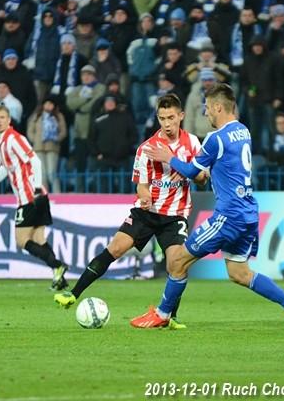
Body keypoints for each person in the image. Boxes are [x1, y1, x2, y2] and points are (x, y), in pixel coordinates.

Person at [131, 84, 284, 329]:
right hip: (248, 213)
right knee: (240, 273)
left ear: (217, 107)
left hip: (228, 216)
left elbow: (191, 171)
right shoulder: (243, 131)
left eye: (207, 108)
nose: (206, 113)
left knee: (177, 261)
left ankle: (162, 314)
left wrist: (169, 158)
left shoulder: (216, 139)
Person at [54, 94, 202, 329]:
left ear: (181, 116)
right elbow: (141, 185)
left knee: (176, 264)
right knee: (115, 248)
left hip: (175, 214)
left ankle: (170, 316)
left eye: (171, 117)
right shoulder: (146, 148)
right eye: (162, 118)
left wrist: (177, 163)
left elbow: (202, 177)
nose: (167, 123)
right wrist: (144, 196)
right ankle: (73, 293)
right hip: (147, 212)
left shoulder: (193, 143)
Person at [0, 105, 69, 291]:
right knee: (39, 239)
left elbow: (35, 160)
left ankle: (57, 265)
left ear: (9, 120)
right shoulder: (0, 142)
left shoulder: (14, 139)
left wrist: (36, 187)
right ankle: (59, 277)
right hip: (38, 195)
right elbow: (6, 166)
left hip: (30, 196)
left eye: (2, 117)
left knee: (22, 240)